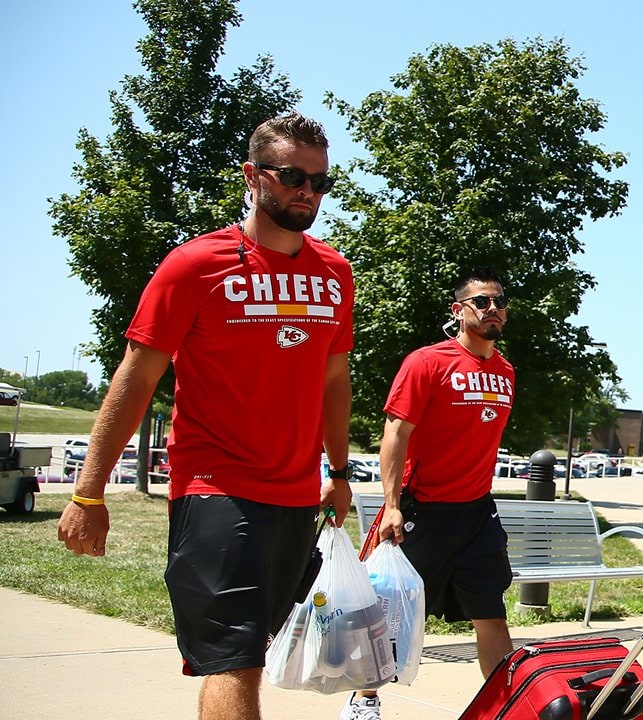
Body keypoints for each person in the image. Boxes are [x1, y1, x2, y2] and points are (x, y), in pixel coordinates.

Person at [56, 112, 355, 720]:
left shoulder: (334, 274)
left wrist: (341, 469)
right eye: (294, 176)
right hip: (215, 489)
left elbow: (333, 377)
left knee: (248, 651)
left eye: (320, 182)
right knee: (236, 659)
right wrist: (88, 492)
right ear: (252, 176)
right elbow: (136, 378)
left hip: (295, 499)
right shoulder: (195, 265)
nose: (308, 192)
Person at [339, 267, 516, 720]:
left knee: (490, 613)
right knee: (391, 611)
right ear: (458, 311)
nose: (492, 308)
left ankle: (510, 707)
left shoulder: (506, 372)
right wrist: (393, 505)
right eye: (481, 302)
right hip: (422, 508)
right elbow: (395, 434)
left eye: (499, 301)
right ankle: (364, 700)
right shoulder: (427, 362)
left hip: (476, 514)